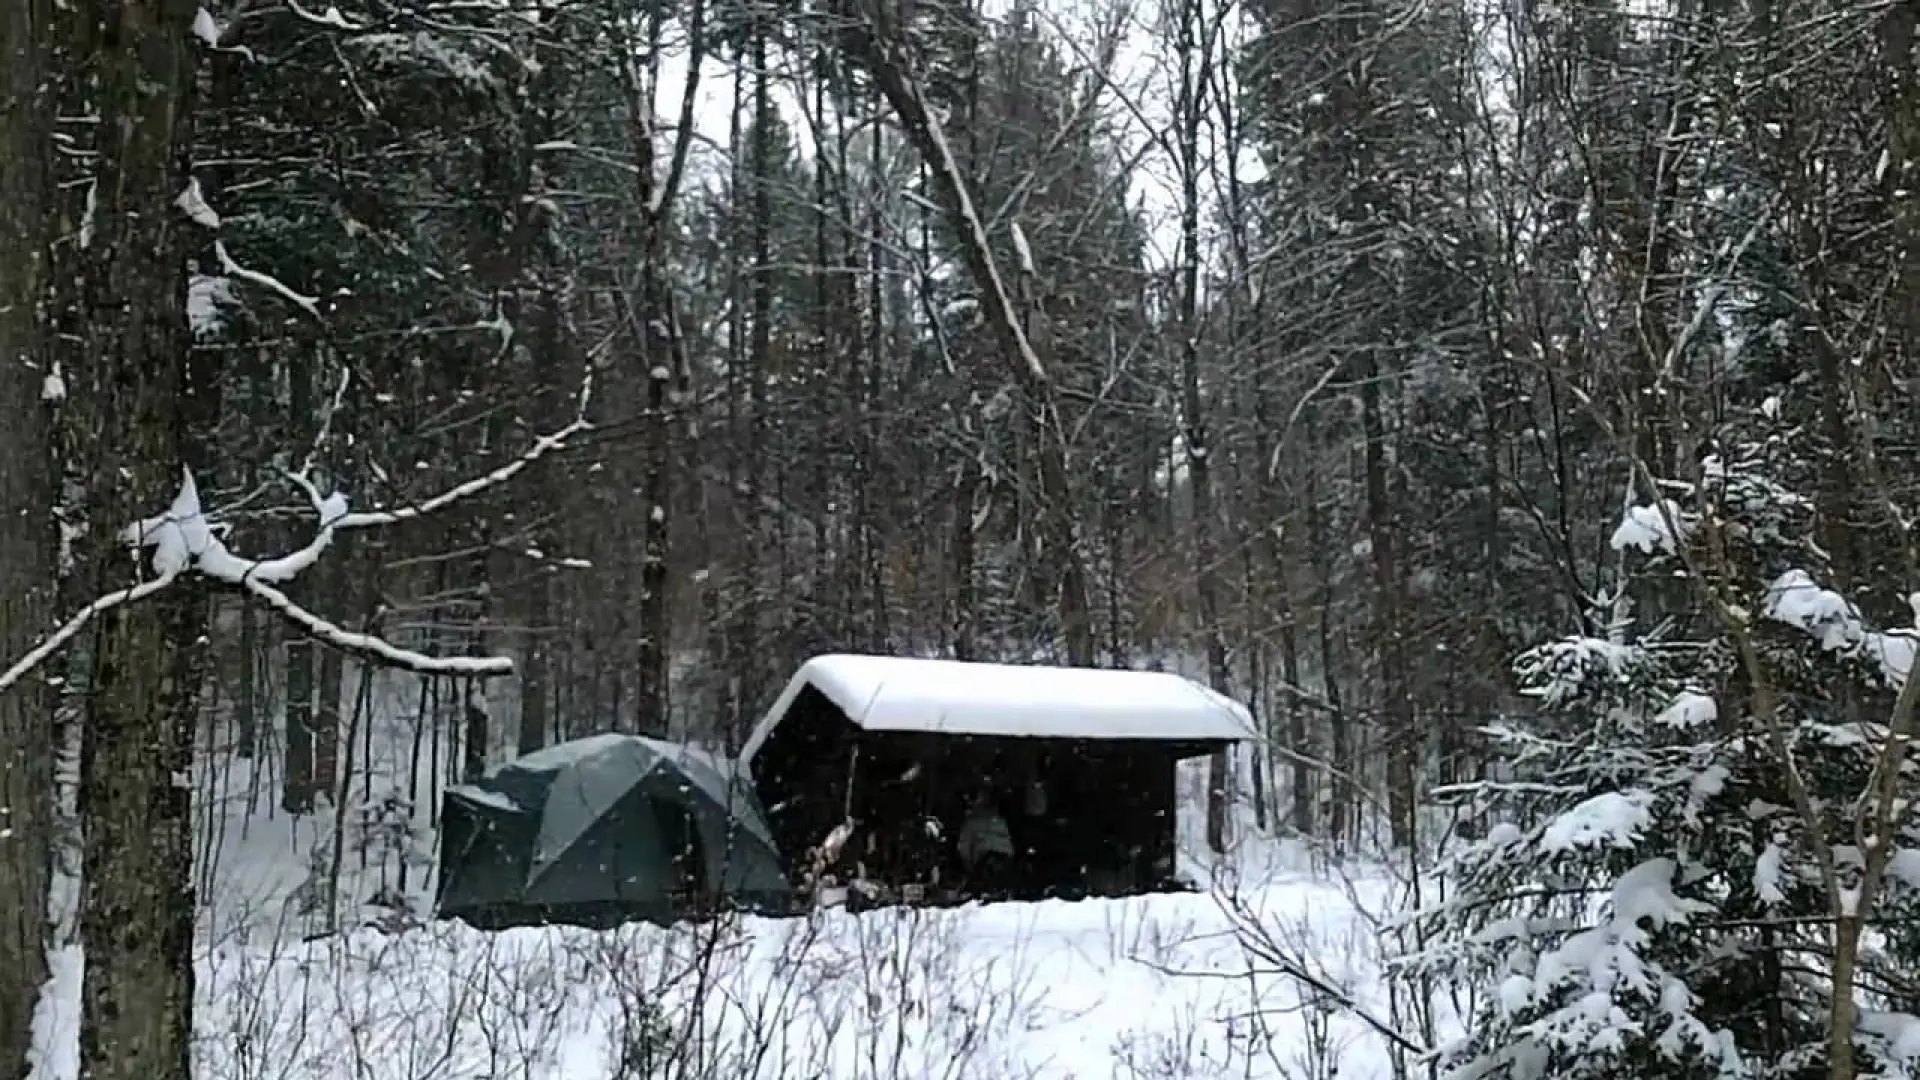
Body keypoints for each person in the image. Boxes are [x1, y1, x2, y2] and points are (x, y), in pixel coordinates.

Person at [956, 787, 1014, 897]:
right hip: (993, 863)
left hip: (987, 863)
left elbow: (963, 848)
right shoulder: (999, 821)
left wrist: (969, 865)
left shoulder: (972, 823)